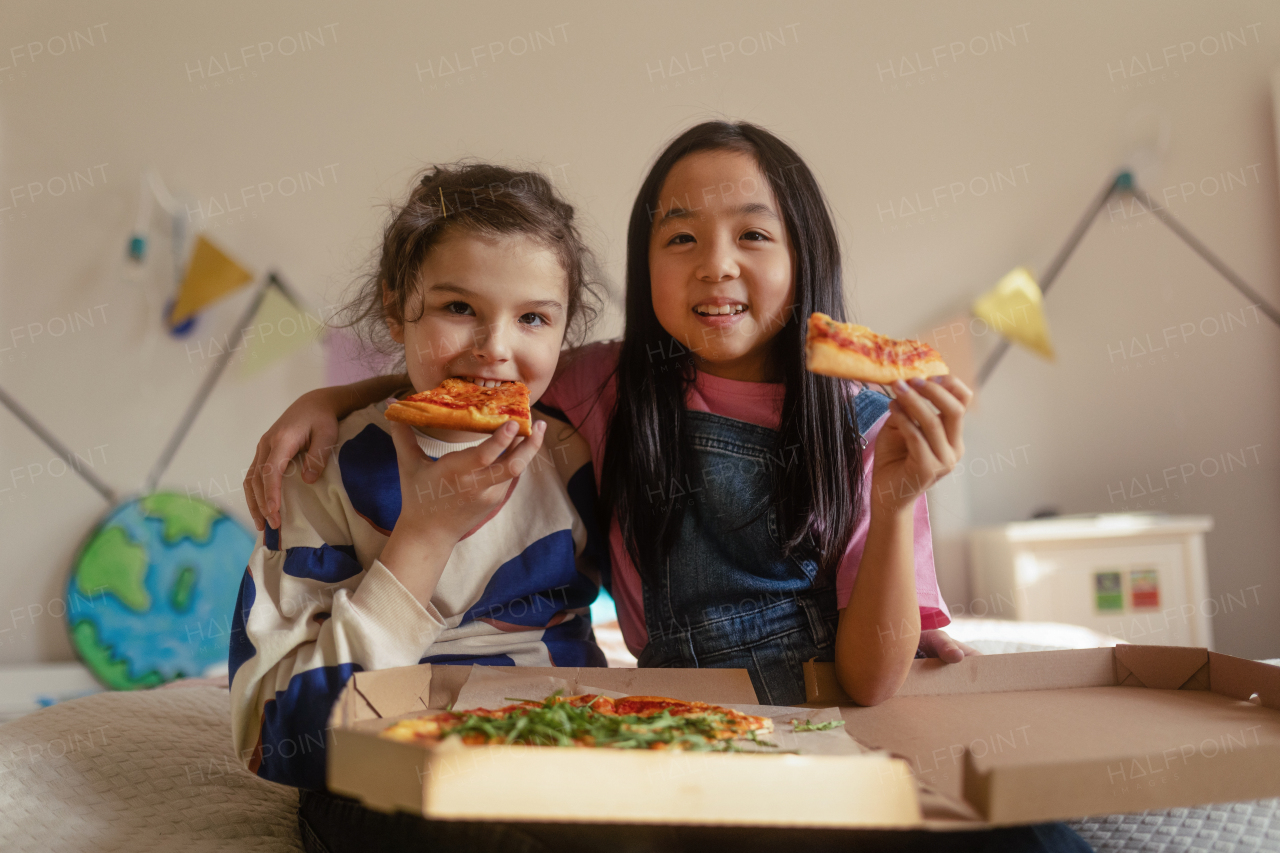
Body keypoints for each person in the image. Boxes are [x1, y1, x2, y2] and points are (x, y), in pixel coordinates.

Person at [246, 123, 1091, 852]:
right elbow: (476, 367)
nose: (716, 266)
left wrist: (902, 495)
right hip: (628, 737)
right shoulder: (610, 389)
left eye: (753, 236)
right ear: (643, 265)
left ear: (806, 255)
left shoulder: (863, 423)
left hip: (794, 724)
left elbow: (875, 679)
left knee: (1029, 835)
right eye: (680, 237)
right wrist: (333, 400)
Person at [229, 162, 611, 796]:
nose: (494, 346)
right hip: (386, 776)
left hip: (562, 764)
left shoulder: (577, 451)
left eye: (534, 319)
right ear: (394, 305)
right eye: (458, 307)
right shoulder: (320, 469)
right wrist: (425, 534)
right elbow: (279, 741)